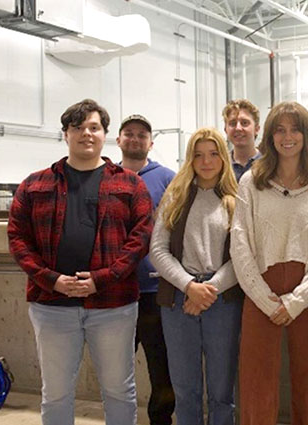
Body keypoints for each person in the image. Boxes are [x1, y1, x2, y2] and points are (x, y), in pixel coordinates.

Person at [7, 99, 153, 425]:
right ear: (65, 134)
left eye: (94, 127)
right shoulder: (35, 184)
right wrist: (50, 279)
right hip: (51, 304)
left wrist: (101, 278)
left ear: (105, 134)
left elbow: (140, 240)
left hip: (113, 305)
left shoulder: (130, 184)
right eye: (78, 127)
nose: (86, 134)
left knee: (118, 390)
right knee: (56, 393)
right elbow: (18, 239)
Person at [230, 101, 308, 425]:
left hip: (307, 293)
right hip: (260, 289)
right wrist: (262, 297)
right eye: (280, 129)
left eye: (295, 129)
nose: (287, 137)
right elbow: (240, 240)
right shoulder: (251, 181)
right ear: (270, 135)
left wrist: (298, 300)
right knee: (256, 380)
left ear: (307, 135)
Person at [149, 128, 241, 425]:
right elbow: (158, 250)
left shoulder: (237, 199)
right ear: (190, 159)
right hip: (178, 299)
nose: (206, 161)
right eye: (199, 155)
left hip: (222, 299)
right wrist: (190, 287)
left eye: (213, 153)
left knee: (221, 391)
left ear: (223, 158)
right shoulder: (174, 197)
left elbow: (243, 256)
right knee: (185, 389)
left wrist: (207, 290)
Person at [117, 114, 176, 425]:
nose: (135, 139)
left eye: (142, 134)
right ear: (119, 140)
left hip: (154, 290)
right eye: (129, 133)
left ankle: (160, 420)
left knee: (161, 367)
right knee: (116, 369)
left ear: (151, 143)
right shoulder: (106, 176)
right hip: (116, 291)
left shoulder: (168, 178)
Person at [223, 99, 262, 181]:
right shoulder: (221, 166)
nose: (238, 128)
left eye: (244, 123)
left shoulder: (268, 165)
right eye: (233, 123)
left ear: (257, 129)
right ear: (226, 130)